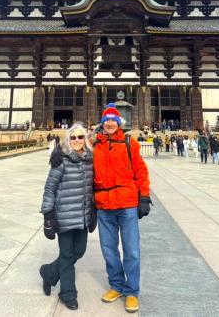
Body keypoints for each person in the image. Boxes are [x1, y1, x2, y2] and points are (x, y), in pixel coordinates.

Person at [50, 103, 151, 313]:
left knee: (131, 250)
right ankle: (116, 285)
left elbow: (141, 170)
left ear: (119, 123)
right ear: (102, 124)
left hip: (127, 203)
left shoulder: (129, 142)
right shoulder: (95, 145)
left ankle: (132, 291)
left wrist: (144, 196)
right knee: (109, 250)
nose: (111, 123)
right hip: (104, 205)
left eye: (114, 120)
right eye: (107, 121)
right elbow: (74, 147)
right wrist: (57, 152)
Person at [39, 123, 97, 310]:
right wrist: (48, 215)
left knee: (78, 251)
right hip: (64, 216)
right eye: (73, 138)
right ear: (68, 140)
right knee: (66, 255)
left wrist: (93, 210)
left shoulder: (90, 160)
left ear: (85, 140)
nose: (77, 141)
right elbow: (50, 188)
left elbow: (92, 187)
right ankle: (68, 293)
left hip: (82, 216)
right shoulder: (60, 160)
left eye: (81, 137)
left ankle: (48, 272)